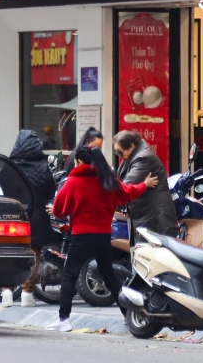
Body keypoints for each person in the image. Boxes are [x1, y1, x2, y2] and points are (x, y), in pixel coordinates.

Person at [47, 146, 156, 332]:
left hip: (80, 236)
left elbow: (59, 210)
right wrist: (145, 184)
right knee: (110, 277)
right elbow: (128, 193)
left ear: (79, 162)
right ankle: (127, 315)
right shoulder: (108, 180)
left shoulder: (73, 181)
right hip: (104, 236)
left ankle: (64, 319)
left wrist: (57, 211)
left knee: (69, 275)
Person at [10, 131, 58, 308]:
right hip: (37, 218)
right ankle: (27, 294)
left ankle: (7, 292)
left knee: (11, 254)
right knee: (34, 255)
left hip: (14, 216)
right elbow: (50, 193)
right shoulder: (43, 168)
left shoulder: (10, 166)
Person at [114, 130, 178, 236]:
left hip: (154, 221)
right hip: (145, 218)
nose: (119, 156)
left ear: (132, 146)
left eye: (120, 152)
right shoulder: (133, 158)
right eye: (116, 153)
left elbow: (126, 185)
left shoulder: (143, 158)